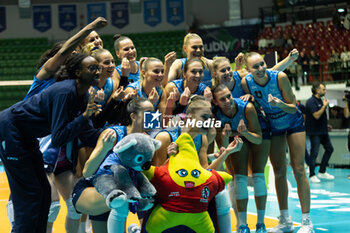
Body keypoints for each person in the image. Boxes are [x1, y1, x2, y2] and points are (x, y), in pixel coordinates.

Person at [0, 53, 106, 233]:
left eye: (98, 68)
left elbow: (88, 135)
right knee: (30, 195)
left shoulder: (82, 98)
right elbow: (58, 137)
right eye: (92, 68)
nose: (98, 71)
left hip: (25, 136)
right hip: (10, 132)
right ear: (78, 72)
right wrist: (84, 116)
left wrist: (119, 134)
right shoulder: (64, 91)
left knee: (42, 193)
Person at [241, 52, 314, 233]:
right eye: (255, 67)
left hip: (292, 121)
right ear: (247, 70)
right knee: (279, 171)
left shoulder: (280, 77)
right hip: (273, 125)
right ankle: (285, 221)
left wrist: (279, 104)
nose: (260, 69)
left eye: (262, 64)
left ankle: (306, 222)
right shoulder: (246, 83)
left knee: (298, 169)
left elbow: (292, 107)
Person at [72, 98, 156, 233]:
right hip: (93, 190)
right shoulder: (113, 134)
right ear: (133, 116)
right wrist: (104, 149)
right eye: (148, 113)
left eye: (153, 112)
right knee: (121, 198)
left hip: (124, 194)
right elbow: (87, 171)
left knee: (135, 196)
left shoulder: (149, 143)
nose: (152, 117)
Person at [212, 84, 266, 233]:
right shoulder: (215, 113)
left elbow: (258, 139)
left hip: (258, 134)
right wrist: (224, 136)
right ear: (215, 102)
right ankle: (242, 225)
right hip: (235, 137)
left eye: (229, 96)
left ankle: (261, 224)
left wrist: (246, 133)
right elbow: (223, 149)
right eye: (222, 99)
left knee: (258, 175)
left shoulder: (247, 108)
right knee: (239, 177)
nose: (228, 100)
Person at [305, 82, 334, 183]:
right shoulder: (311, 102)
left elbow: (320, 117)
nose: (325, 91)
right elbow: (316, 115)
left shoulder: (320, 101)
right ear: (317, 90)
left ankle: (322, 171)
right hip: (315, 132)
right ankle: (312, 175)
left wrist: (325, 125)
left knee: (330, 149)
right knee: (314, 153)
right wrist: (324, 106)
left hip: (323, 131)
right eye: (323, 89)